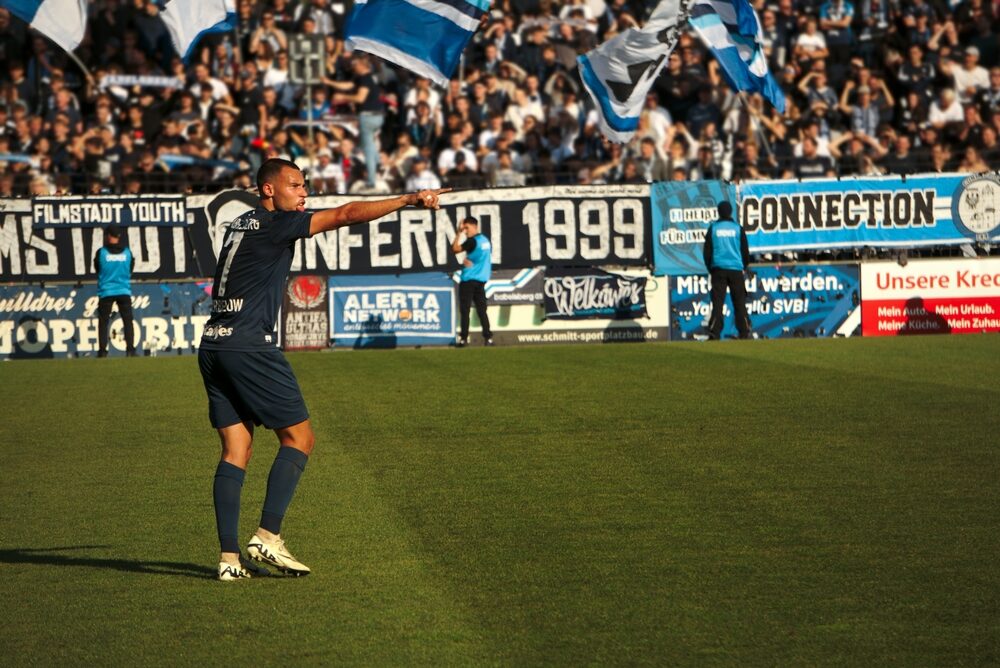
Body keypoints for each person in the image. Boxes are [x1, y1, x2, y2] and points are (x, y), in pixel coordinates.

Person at [201, 157, 448, 580]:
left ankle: (229, 561)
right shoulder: (277, 223)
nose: (304, 193)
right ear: (268, 190)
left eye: (305, 185)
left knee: (235, 450)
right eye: (295, 185)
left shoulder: (240, 223)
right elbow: (347, 214)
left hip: (213, 344)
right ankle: (267, 536)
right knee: (300, 438)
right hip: (249, 346)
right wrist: (408, 199)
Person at [703, 201, 752, 340]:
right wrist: (743, 266)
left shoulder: (713, 228)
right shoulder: (737, 228)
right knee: (739, 302)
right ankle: (744, 332)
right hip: (736, 269)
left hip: (718, 269)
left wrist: (711, 268)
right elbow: (745, 251)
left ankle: (715, 332)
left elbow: (707, 252)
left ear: (719, 212)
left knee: (718, 303)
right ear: (730, 212)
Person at [93, 224, 136, 358]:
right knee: (127, 321)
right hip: (123, 290)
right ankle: (130, 350)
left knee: (103, 322)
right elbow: (130, 269)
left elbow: (97, 269)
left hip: (106, 291)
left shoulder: (101, 253)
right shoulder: (127, 253)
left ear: (108, 236)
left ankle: (102, 351)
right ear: (119, 236)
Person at [450, 217, 493, 348]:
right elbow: (480, 257)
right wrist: (468, 259)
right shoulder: (485, 240)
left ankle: (464, 339)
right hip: (481, 280)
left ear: (474, 226)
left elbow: (455, 249)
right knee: (482, 310)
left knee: (465, 310)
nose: (465, 231)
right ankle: (488, 338)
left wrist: (458, 233)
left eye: (467, 228)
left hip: (469, 279)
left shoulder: (472, 241)